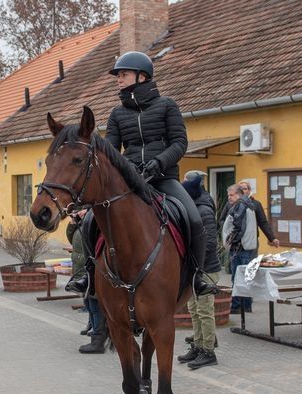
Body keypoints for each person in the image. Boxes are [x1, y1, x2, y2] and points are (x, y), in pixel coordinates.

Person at [64, 51, 218, 297]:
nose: (118, 79)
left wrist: (159, 162)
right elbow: (111, 151)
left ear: (142, 76)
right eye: (118, 76)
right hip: (130, 181)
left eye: (123, 74)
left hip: (164, 178)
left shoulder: (167, 105)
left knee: (194, 219)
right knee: (92, 219)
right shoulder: (117, 114)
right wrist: (127, 168)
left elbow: (179, 143)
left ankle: (198, 275)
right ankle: (88, 273)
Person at [177, 172, 220, 369]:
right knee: (194, 310)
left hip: (206, 269)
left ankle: (208, 351)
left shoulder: (204, 210)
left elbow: (210, 243)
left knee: (204, 311)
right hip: (196, 269)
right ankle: (198, 345)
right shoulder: (193, 207)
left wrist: (194, 259)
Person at [68, 209, 107, 353]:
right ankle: (92, 328)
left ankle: (98, 339)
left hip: (92, 269)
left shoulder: (95, 218)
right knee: (89, 303)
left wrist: (89, 214)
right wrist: (73, 223)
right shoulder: (84, 222)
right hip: (82, 269)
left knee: (95, 305)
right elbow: (70, 238)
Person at [224, 183, 259, 314]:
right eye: (228, 195)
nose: (229, 197)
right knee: (246, 277)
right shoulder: (248, 204)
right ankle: (247, 305)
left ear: (239, 194)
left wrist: (230, 240)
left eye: (231, 195)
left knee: (237, 277)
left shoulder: (240, 205)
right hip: (247, 246)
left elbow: (238, 227)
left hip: (240, 247)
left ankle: (237, 306)